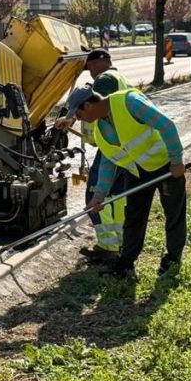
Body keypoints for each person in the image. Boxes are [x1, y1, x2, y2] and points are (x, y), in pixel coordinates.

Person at [66, 84, 187, 278]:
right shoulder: (100, 131)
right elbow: (108, 163)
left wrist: (176, 160)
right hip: (137, 173)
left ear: (88, 105)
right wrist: (99, 196)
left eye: (78, 114)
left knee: (174, 214)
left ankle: (172, 260)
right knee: (133, 218)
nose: (79, 119)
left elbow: (166, 125)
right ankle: (126, 264)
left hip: (166, 166)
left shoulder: (129, 102)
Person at [55, 49, 130, 262]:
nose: (90, 71)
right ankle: (118, 245)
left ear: (99, 63)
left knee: (96, 195)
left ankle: (108, 247)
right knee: (116, 197)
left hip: (111, 147)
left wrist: (71, 118)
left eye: (90, 66)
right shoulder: (118, 77)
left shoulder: (105, 79)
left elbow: (93, 103)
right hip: (121, 146)